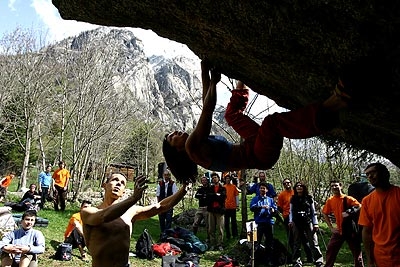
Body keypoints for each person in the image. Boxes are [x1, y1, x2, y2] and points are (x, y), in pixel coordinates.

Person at [162, 60, 349, 179]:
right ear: (177, 149)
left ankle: (241, 82)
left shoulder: (194, 144)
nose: (176, 132)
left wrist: (204, 70)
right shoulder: (192, 149)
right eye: (172, 137)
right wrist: (213, 82)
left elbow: (205, 103)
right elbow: (208, 109)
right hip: (260, 155)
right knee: (271, 123)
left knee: (231, 116)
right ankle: (331, 106)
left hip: (252, 144)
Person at [80, 173, 188, 267]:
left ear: (123, 192)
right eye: (115, 180)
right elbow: (104, 216)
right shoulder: (88, 211)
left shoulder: (131, 211)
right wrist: (133, 198)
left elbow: (161, 206)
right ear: (104, 185)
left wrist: (183, 189)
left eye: (122, 183)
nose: (119, 184)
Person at [359, 162, 400, 267]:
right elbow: (366, 232)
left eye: (373, 172)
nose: (370, 176)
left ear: (385, 173)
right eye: (367, 174)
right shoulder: (367, 201)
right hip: (381, 257)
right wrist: (370, 260)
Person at [322, 180, 364, 267]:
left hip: (350, 230)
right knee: (331, 249)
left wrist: (350, 211)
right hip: (339, 231)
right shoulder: (330, 200)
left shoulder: (348, 199)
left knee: (357, 252)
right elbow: (324, 213)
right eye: (332, 186)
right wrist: (331, 228)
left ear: (340, 186)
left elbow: (359, 206)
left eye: (336, 185)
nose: (334, 187)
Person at [277, 179, 313, 262]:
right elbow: (279, 207)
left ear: (291, 183)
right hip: (287, 217)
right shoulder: (282, 194)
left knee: (304, 237)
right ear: (283, 185)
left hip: (300, 217)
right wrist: (285, 213)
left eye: (288, 183)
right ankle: (295, 257)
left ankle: (310, 256)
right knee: (292, 238)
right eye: (285, 183)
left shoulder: (296, 192)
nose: (287, 184)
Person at [289, 181, 323, 267]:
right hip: (296, 222)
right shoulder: (293, 198)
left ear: (304, 188)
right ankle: (297, 261)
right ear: (295, 188)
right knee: (297, 242)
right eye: (297, 186)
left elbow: (313, 211)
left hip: (308, 222)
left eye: (301, 186)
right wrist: (290, 221)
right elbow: (291, 211)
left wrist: (315, 223)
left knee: (313, 241)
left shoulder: (309, 198)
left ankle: (318, 260)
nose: (299, 187)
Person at [250, 182, 277, 266]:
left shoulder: (270, 200)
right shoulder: (255, 199)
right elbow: (252, 208)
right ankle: (254, 260)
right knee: (256, 242)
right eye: (261, 188)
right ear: (259, 189)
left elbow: (275, 210)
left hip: (268, 223)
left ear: (267, 190)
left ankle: (268, 260)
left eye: (264, 188)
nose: (262, 189)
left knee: (269, 243)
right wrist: (261, 207)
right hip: (259, 223)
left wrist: (273, 210)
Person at [206, 172, 226, 251]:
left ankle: (220, 244)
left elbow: (222, 198)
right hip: (211, 210)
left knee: (220, 228)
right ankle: (212, 244)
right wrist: (216, 195)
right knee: (211, 228)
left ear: (218, 178)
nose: (214, 179)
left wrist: (214, 196)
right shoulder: (210, 188)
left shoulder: (223, 188)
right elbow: (208, 198)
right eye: (213, 178)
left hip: (220, 210)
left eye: (215, 177)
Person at [223, 174, 240, 239]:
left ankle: (235, 235)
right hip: (226, 207)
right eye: (226, 179)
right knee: (226, 222)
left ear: (230, 180)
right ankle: (228, 235)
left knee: (233, 222)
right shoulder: (223, 187)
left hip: (233, 207)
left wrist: (237, 205)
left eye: (228, 179)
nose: (227, 180)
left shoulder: (233, 187)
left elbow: (237, 196)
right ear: (225, 180)